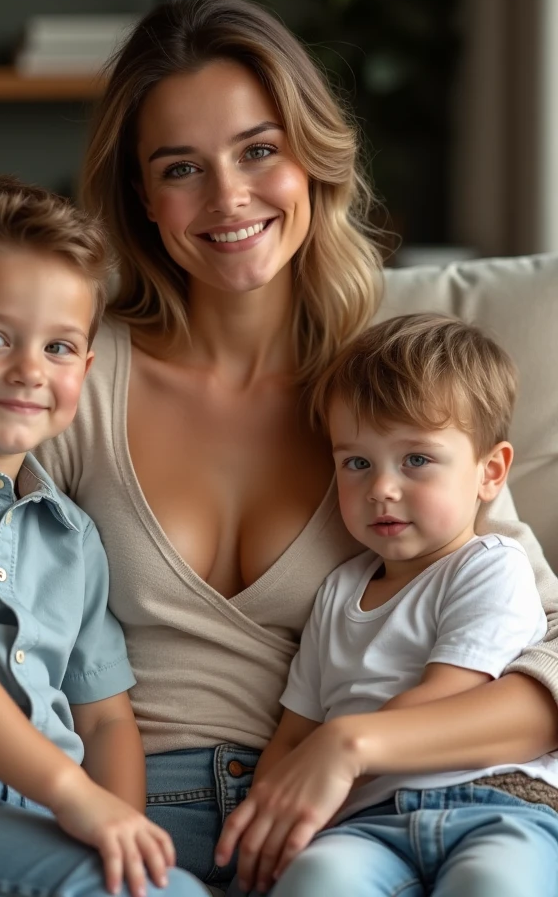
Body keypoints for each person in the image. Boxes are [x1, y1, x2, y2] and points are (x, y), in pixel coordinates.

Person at [0, 0, 557, 894]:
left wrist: (353, 743)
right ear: (142, 198)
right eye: (181, 166)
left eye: (259, 151)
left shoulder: (398, 385)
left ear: (310, 158)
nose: (228, 197)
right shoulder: (71, 370)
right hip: (118, 814)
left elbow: (538, 666)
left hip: (340, 824)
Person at [0, 173, 206, 897]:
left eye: (58, 348)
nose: (28, 370)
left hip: (34, 823)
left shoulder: (72, 533)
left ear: (85, 368)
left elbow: (107, 716)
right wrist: (75, 799)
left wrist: (122, 827)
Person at [216, 313, 558, 896]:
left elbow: (446, 696)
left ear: (490, 472)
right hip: (368, 823)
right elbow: (295, 733)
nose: (381, 488)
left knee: (495, 882)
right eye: (357, 463)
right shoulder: (337, 591)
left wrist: (340, 756)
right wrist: (269, 824)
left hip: (495, 801)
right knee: (317, 880)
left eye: (416, 460)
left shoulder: (490, 565)